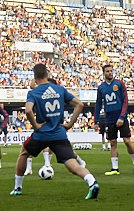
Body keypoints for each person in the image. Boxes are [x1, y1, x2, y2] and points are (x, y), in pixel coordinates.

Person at [10, 63, 99, 199]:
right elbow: (79, 105)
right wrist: (69, 123)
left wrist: (35, 126)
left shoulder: (33, 93)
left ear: (34, 77)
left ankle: (17, 188)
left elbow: (28, 110)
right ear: (47, 74)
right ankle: (92, 182)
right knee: (72, 164)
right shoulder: (59, 89)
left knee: (24, 153)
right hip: (59, 133)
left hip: (42, 134)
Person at [95, 64, 134, 175]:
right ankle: (115, 169)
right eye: (107, 71)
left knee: (127, 141)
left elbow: (125, 101)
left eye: (111, 71)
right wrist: (96, 120)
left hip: (121, 118)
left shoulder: (120, 84)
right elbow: (98, 104)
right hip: (109, 119)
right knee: (113, 142)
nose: (110, 73)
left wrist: (122, 117)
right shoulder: (101, 88)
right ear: (103, 73)